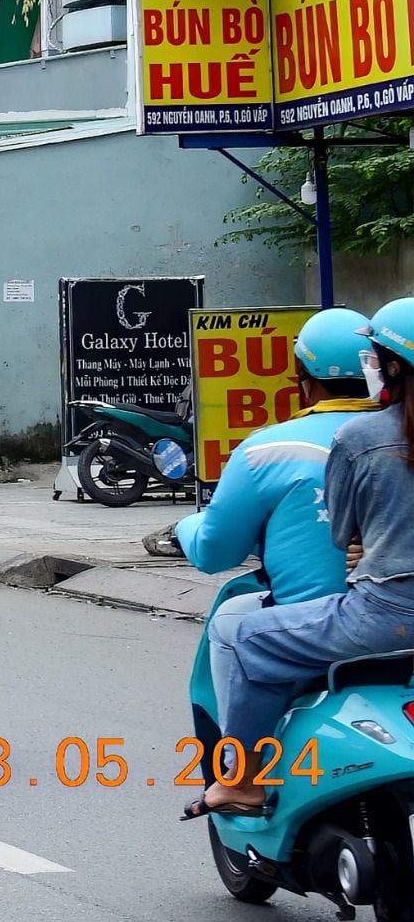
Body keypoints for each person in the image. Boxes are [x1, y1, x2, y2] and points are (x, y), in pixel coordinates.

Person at [188, 297, 414, 816]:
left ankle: (241, 782)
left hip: (385, 615)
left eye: (377, 358)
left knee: (246, 637)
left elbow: (341, 534)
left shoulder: (352, 438)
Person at [179, 308, 375, 732]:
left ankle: (241, 770)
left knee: (236, 624)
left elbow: (215, 551)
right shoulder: (398, 437)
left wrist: (185, 527)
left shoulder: (269, 450)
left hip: (347, 621)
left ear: (303, 378)